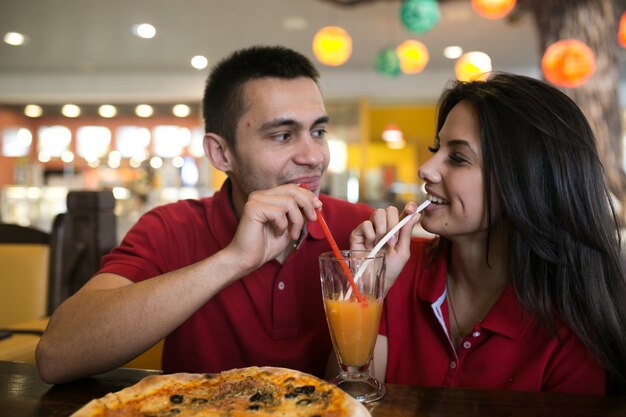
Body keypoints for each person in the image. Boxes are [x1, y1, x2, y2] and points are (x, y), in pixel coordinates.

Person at [36, 45, 373, 384]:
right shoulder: (170, 227)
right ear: (221, 153)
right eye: (283, 135)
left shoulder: (363, 231)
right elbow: (56, 356)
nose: (314, 156)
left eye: (318, 132)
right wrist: (233, 260)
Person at [351, 73, 626, 395]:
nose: (425, 169)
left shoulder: (573, 329)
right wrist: (367, 292)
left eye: (457, 157)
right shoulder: (397, 271)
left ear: (525, 183)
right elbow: (350, 400)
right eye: (436, 148)